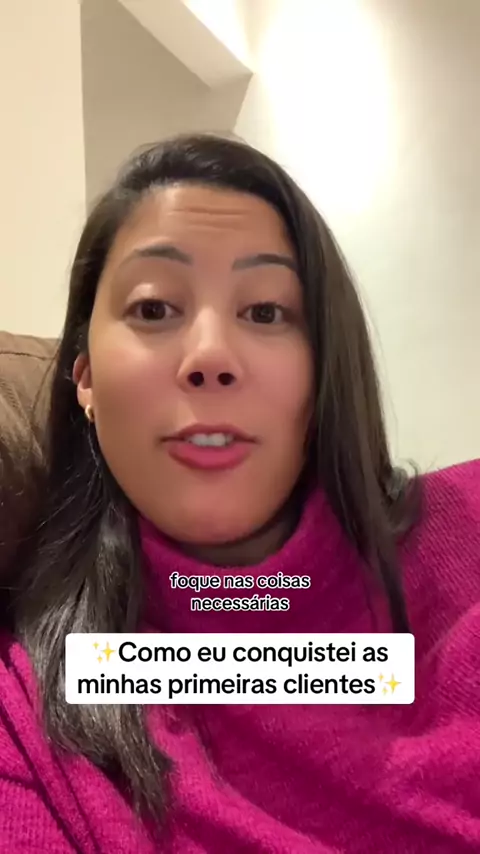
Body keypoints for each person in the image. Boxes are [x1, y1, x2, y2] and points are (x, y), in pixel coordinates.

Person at [0, 133, 479, 854]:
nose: (211, 357)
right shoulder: (28, 724)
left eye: (265, 312)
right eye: (153, 309)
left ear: (324, 374)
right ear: (85, 378)